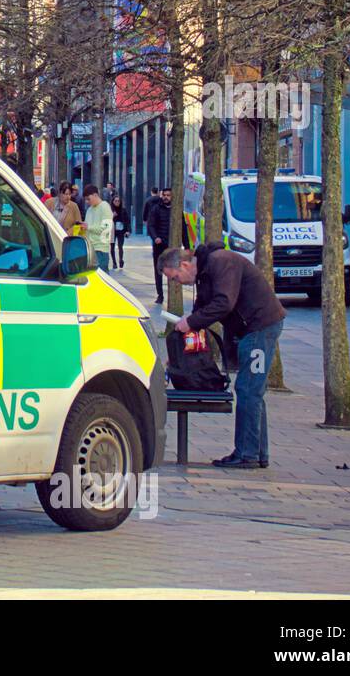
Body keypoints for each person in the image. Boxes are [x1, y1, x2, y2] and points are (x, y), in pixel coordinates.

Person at [160, 243, 287, 469]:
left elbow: (223, 303)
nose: (177, 283)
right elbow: (202, 310)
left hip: (259, 326)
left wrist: (190, 322)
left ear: (185, 265)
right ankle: (257, 452)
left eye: (176, 277)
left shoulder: (220, 262)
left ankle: (247, 454)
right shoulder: (205, 273)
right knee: (253, 390)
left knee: (249, 389)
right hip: (250, 328)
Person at [147, 187, 173, 304]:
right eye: (164, 195)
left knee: (172, 270)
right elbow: (150, 225)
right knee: (159, 271)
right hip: (159, 245)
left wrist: (187, 245)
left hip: (171, 245)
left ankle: (172, 295)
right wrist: (155, 237)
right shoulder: (156, 209)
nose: (166, 197)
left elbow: (182, 227)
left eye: (168, 195)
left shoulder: (175, 210)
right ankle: (160, 295)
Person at [81, 185, 114, 271]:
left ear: (95, 195)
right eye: (86, 200)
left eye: (89, 199)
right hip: (90, 249)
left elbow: (106, 229)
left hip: (101, 249)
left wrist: (88, 227)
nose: (87, 202)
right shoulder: (89, 210)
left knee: (101, 276)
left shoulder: (105, 206)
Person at [110, 194, 130, 269]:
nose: (117, 202)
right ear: (113, 202)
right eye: (115, 201)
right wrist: (112, 216)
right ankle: (114, 262)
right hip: (112, 231)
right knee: (112, 247)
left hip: (121, 231)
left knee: (120, 246)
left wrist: (128, 231)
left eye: (118, 201)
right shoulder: (110, 210)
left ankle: (121, 260)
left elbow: (128, 221)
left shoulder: (123, 210)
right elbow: (106, 221)